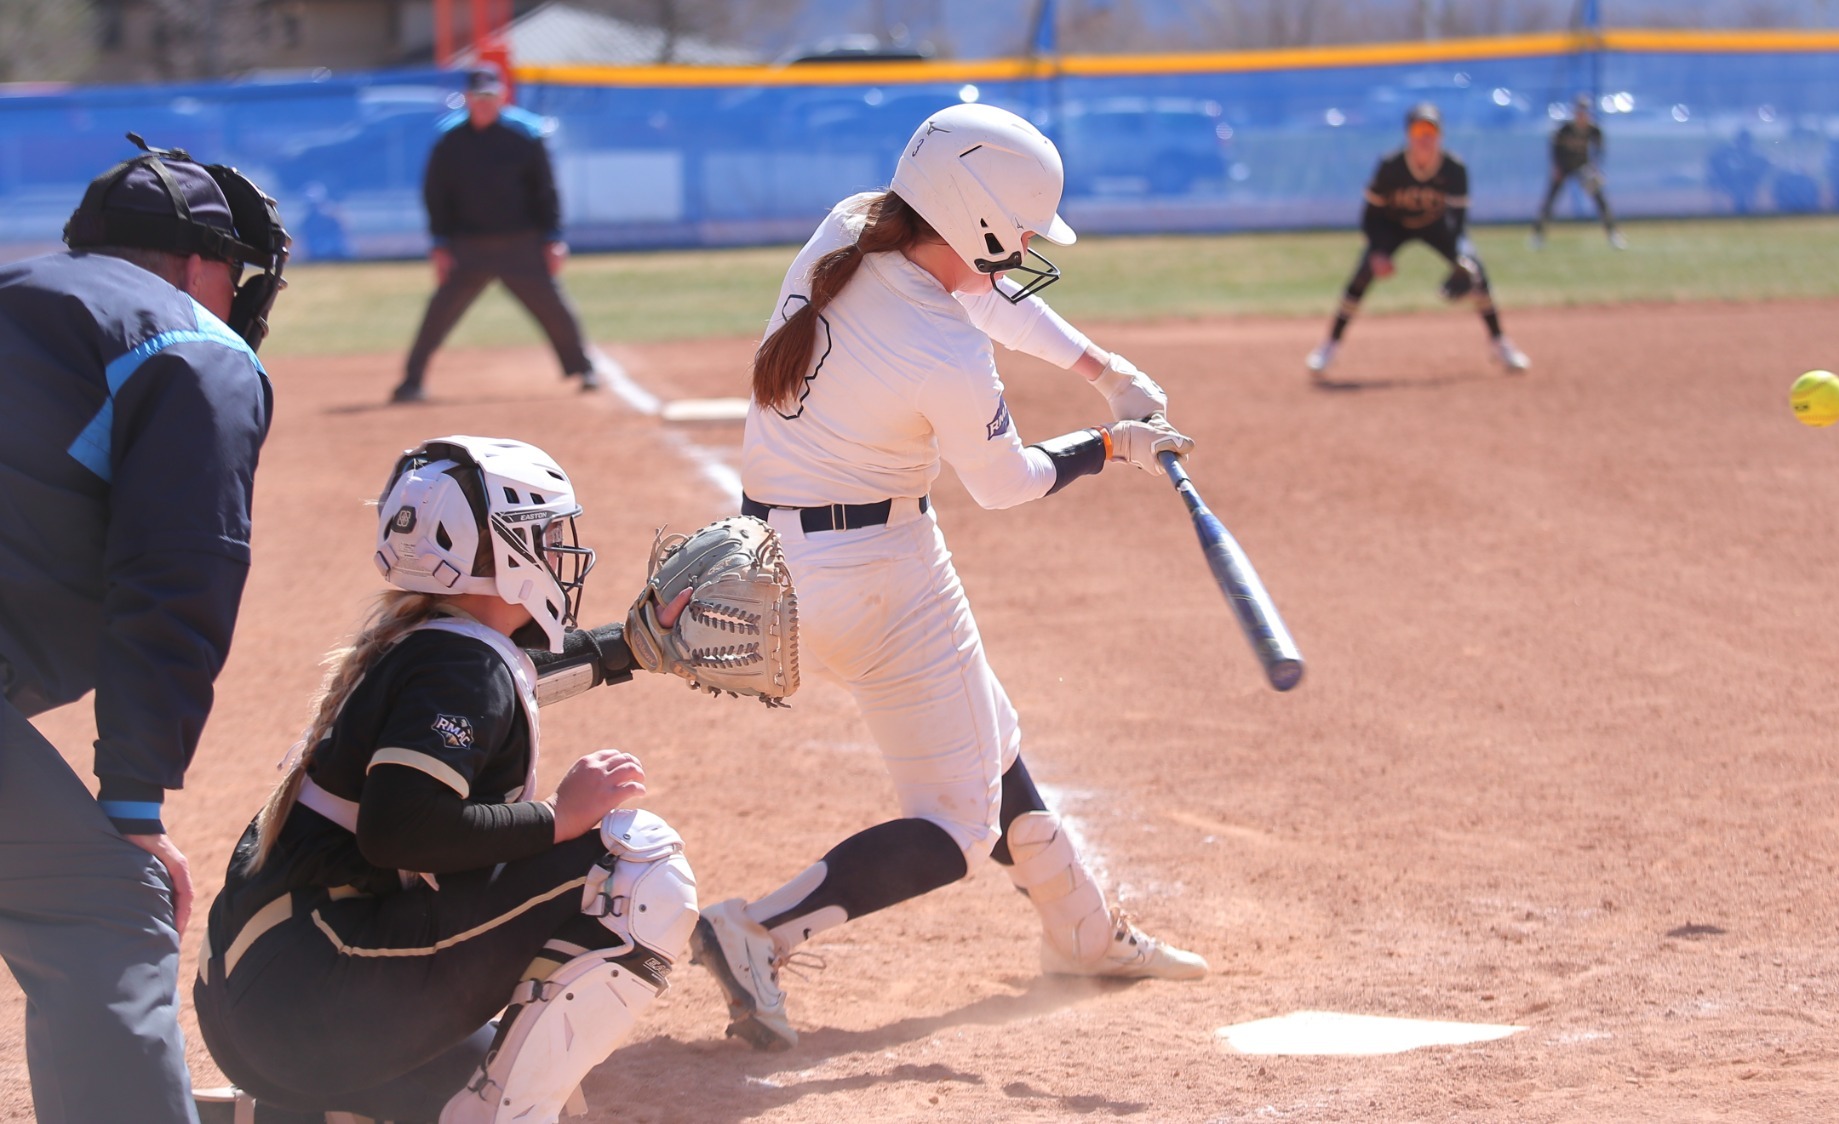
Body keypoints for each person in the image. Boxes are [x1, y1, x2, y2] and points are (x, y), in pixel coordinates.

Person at [688, 103, 1205, 1053]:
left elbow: (981, 291)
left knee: (984, 730)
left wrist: (1103, 367)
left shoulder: (853, 226)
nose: (1018, 258)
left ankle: (1083, 934)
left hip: (772, 562)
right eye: (1011, 240)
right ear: (972, 224)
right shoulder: (944, 348)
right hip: (880, 576)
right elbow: (1005, 485)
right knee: (956, 826)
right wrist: (1110, 444)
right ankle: (755, 930)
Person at [192, 436, 701, 1123]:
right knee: (638, 863)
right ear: (501, 551)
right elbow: (399, 830)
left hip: (268, 1001)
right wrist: (558, 819)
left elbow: (507, 689)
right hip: (307, 993)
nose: (558, 550)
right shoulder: (457, 667)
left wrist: (632, 644)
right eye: (544, 533)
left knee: (494, 1071)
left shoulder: (430, 646)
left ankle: (239, 1115)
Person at [0, 134, 287, 1124]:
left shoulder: (22, 294)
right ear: (200, 263)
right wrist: (131, 805)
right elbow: (179, 568)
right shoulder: (191, 341)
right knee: (106, 908)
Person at [393, 65, 597, 404]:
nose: (484, 103)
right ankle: (411, 381)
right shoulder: (450, 139)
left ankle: (583, 368)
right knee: (438, 315)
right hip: (468, 248)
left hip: (521, 245)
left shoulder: (524, 135)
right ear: (467, 100)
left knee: (554, 309)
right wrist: (440, 243)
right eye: (477, 97)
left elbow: (546, 191)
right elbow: (436, 194)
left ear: (501, 96)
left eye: (490, 95)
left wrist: (553, 238)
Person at [1305, 103, 1529, 380]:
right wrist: (1377, 252)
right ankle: (1330, 346)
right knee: (1361, 276)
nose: (1425, 137)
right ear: (1408, 135)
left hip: (1437, 226)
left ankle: (1500, 343)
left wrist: (1460, 258)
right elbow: (1370, 216)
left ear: (1441, 135)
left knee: (1476, 272)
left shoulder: (1454, 168)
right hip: (1391, 226)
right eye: (1418, 130)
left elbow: (1458, 222)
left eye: (1431, 130)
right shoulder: (1391, 167)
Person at [1531, 93, 1624, 249]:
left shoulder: (1594, 131)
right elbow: (1554, 150)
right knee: (1550, 201)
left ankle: (1613, 234)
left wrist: (1595, 169)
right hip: (1564, 167)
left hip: (1582, 167)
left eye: (1585, 111)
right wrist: (1557, 168)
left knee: (1600, 200)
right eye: (1580, 111)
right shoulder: (1565, 130)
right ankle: (1538, 235)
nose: (1582, 115)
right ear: (1575, 112)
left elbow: (1599, 152)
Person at [1707, 128, 1773, 215]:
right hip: (1729, 182)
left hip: (1748, 183)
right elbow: (1715, 162)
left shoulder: (1756, 155)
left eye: (1745, 140)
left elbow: (1766, 165)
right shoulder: (1727, 152)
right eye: (1742, 140)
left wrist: (1754, 175)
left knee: (1743, 194)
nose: (1743, 143)